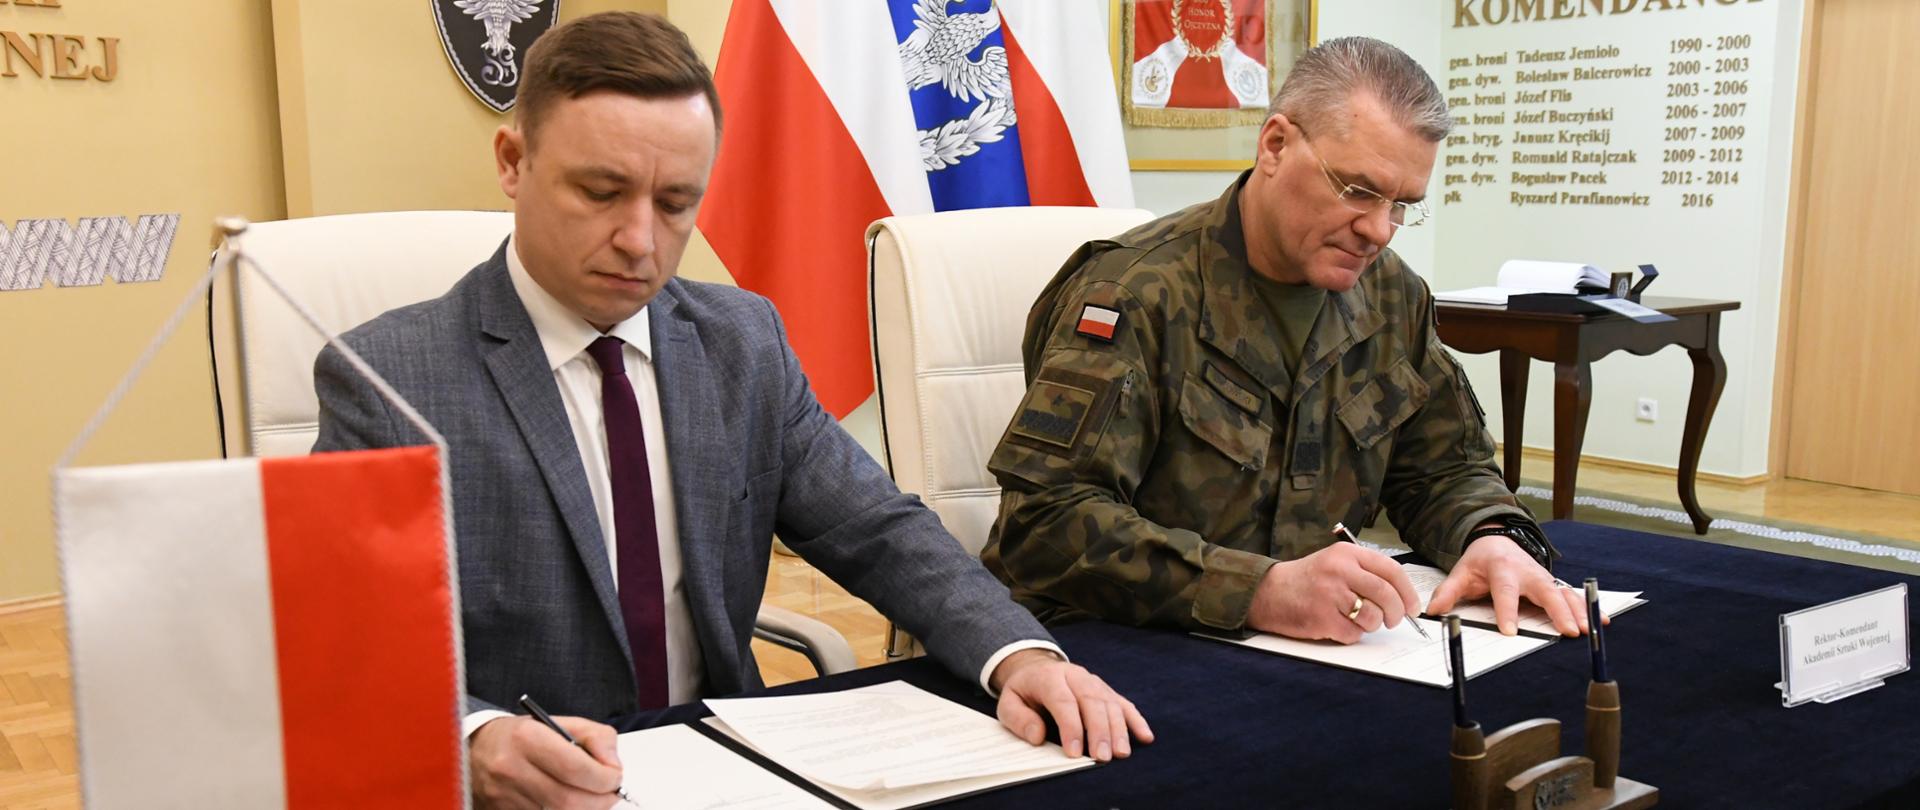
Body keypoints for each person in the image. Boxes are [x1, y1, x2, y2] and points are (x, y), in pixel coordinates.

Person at [313, 13, 1147, 810]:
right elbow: (344, 649)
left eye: (676, 203)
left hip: (727, 774)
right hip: (531, 793)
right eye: (601, 192)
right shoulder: (386, 381)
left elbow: (876, 529)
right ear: (512, 160)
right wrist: (468, 737)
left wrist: (1016, 652)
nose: (640, 240)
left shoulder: (741, 341)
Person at [982, 37, 1592, 649]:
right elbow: (1043, 525)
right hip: (1119, 641)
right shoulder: (1135, 295)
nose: (1380, 230)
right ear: (1275, 145)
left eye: (1402, 205)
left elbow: (1444, 468)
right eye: (1358, 190)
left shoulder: (1391, 296)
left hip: (1309, 646)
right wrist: (1260, 590)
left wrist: (1489, 537)